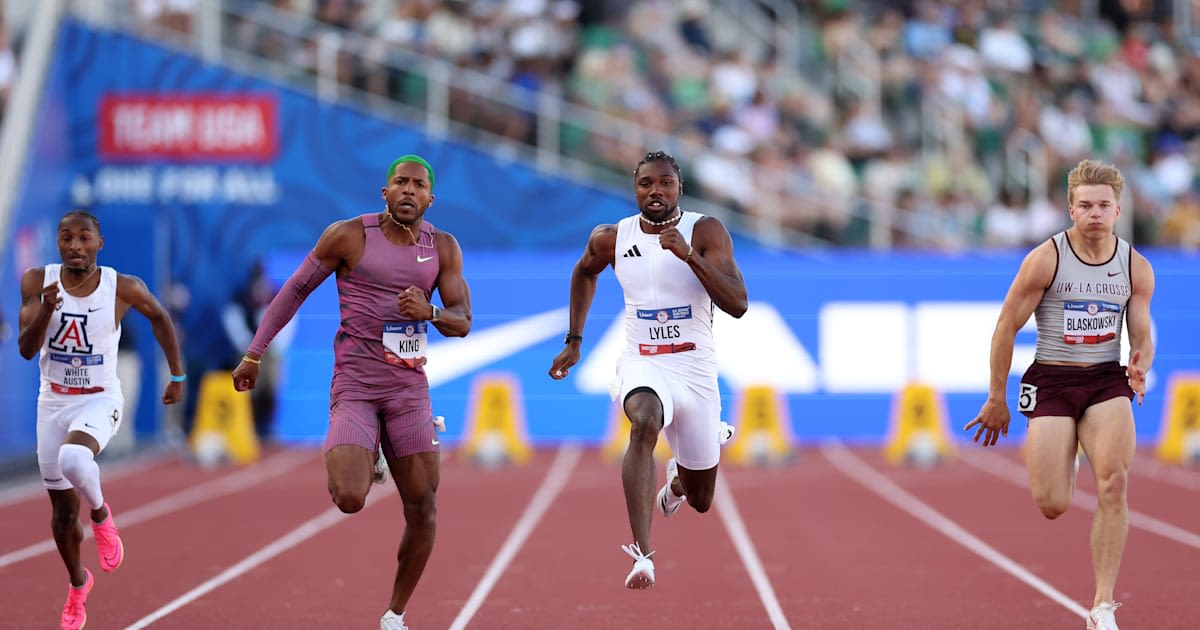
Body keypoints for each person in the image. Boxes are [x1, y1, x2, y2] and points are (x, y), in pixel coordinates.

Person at [231, 155, 471, 630]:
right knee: (349, 497)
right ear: (384, 192)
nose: (408, 190)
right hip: (357, 385)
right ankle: (368, 453)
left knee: (423, 508)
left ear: (430, 198)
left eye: (417, 185)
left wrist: (431, 313)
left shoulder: (442, 247)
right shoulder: (349, 235)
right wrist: (255, 353)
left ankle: (395, 615)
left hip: (408, 391)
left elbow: (462, 320)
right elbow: (294, 291)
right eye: (399, 182)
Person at [964, 159, 1154, 630]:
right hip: (1052, 379)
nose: (1095, 213)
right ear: (1070, 208)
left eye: (1103, 206)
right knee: (1052, 505)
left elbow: (1143, 334)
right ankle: (1065, 451)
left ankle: (1103, 605)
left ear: (1118, 209)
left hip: (1107, 382)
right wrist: (996, 397)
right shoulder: (1046, 258)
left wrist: (1141, 360)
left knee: (1114, 483)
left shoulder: (1135, 266)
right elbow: (1006, 326)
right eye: (1085, 205)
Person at [548, 150, 748, 589]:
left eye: (665, 183)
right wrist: (574, 340)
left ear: (679, 188)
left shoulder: (705, 230)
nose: (655, 191)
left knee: (701, 499)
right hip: (643, 361)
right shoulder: (611, 238)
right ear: (635, 188)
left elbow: (737, 303)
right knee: (643, 421)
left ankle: (676, 482)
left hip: (694, 367)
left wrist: (691, 256)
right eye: (646, 184)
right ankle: (643, 554)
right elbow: (584, 272)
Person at [17, 210, 185, 630]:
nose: (75, 246)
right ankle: (78, 587)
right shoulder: (37, 282)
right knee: (59, 516)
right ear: (57, 242)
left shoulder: (120, 287)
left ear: (99, 243)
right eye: (66, 238)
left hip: (99, 398)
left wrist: (177, 374)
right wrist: (45, 310)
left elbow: (160, 317)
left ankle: (102, 517)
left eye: (84, 238)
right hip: (52, 402)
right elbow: (24, 349)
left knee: (75, 459)